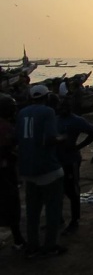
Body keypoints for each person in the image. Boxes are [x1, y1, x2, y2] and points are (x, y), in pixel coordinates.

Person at [16, 85, 68, 258]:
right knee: (53, 209)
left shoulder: (22, 113)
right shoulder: (48, 112)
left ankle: (33, 245)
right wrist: (62, 138)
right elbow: (50, 138)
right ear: (47, 97)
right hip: (47, 167)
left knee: (33, 211)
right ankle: (50, 245)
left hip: (26, 169)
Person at [55, 99, 93, 235]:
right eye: (61, 105)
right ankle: (58, 218)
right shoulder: (55, 119)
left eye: (66, 106)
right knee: (58, 190)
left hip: (71, 160)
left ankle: (75, 220)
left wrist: (78, 146)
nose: (63, 108)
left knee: (73, 190)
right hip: (56, 161)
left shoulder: (76, 120)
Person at [0, 93, 26, 251]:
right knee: (11, 205)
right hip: (5, 173)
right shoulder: (6, 128)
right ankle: (18, 240)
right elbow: (9, 149)